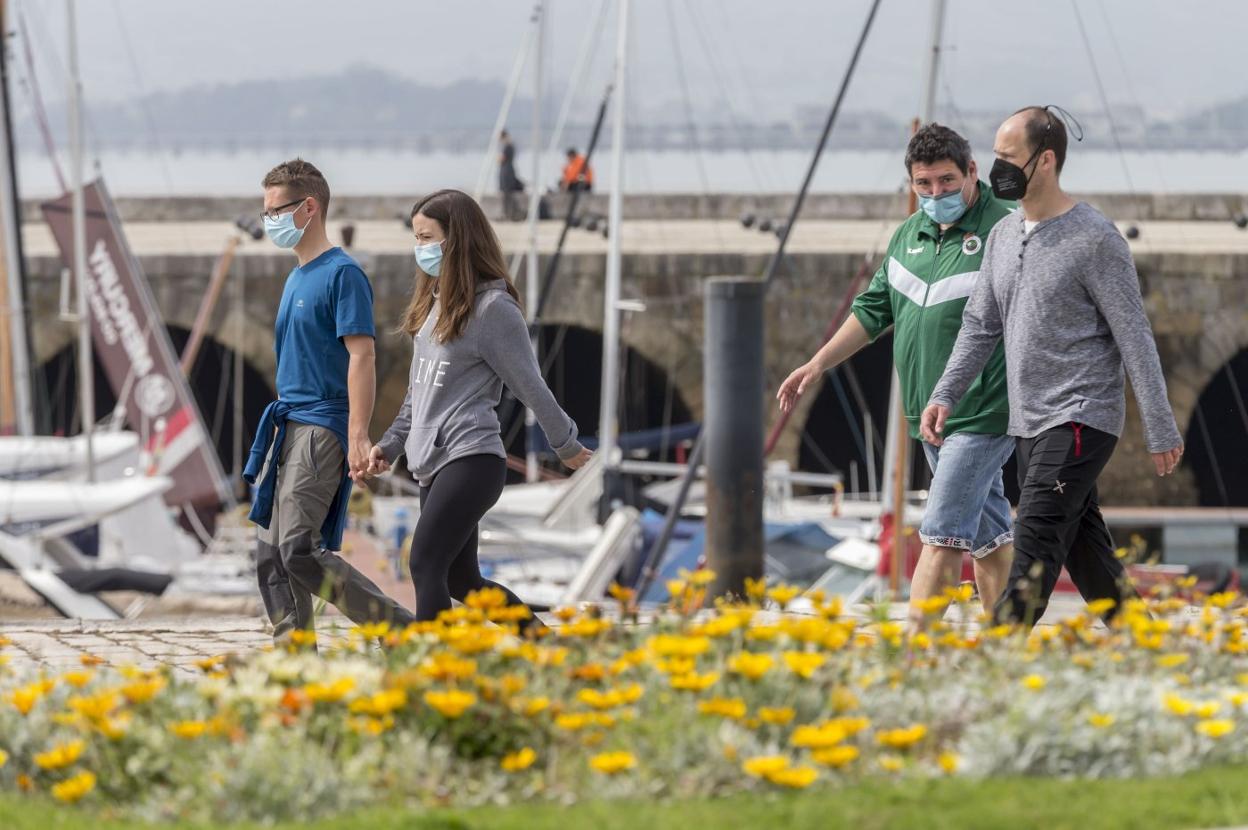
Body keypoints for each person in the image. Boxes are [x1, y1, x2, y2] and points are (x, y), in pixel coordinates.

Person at [922, 106, 1184, 628]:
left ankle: (998, 665)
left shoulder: (1095, 238)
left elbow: (1135, 336)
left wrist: (1160, 426)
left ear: (1044, 161)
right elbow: (980, 325)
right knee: (1088, 556)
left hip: (1080, 419)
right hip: (1029, 421)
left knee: (1034, 551)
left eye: (1008, 158)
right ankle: (1152, 648)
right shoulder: (1002, 235)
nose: (998, 169)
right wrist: (944, 393)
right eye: (994, 156)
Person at [777, 124, 1015, 628]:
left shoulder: (1006, 229)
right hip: (927, 412)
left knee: (942, 534)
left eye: (947, 181)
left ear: (972, 171)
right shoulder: (909, 234)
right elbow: (873, 309)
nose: (936, 194)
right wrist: (817, 363)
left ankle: (912, 651)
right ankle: (1010, 642)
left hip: (985, 408)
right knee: (989, 536)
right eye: (923, 185)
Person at [365, 188, 592, 629]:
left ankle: (433, 667)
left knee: (424, 562)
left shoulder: (493, 309)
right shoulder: (435, 306)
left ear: (458, 239)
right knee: (461, 579)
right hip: (435, 459)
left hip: (471, 457)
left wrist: (565, 444)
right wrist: (391, 445)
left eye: (427, 237)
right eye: (416, 238)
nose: (420, 249)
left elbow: (531, 386)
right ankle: (544, 647)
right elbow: (419, 392)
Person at [245, 158, 414, 642]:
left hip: (323, 424)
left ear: (309, 207)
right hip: (288, 424)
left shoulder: (344, 275)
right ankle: (295, 667)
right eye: (266, 212)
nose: (269, 221)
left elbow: (362, 356)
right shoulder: (296, 277)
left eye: (276, 210)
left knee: (298, 547)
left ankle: (399, 630)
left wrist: (357, 435)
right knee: (270, 554)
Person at [498, 130, 525, 221]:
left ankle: (509, 214)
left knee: (507, 194)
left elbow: (502, 159)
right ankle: (512, 213)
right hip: (509, 171)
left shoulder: (507, 146)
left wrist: (498, 159)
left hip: (507, 172)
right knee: (508, 194)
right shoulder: (511, 145)